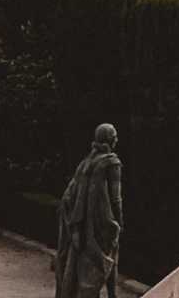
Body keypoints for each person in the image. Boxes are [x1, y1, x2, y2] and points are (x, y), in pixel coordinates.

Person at [55, 122, 123, 298]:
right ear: (109, 139)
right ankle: (112, 296)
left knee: (86, 266)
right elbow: (116, 199)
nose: (117, 139)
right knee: (108, 261)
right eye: (114, 136)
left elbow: (70, 195)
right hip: (102, 223)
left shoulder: (86, 162)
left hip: (83, 223)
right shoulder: (111, 163)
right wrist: (119, 222)